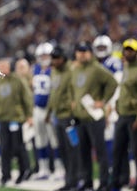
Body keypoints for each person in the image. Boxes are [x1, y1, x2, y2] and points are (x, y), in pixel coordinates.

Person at [71, 41, 118, 191]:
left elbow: (112, 83)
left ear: (90, 53)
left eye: (84, 51)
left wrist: (103, 101)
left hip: (94, 117)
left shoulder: (97, 68)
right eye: (79, 51)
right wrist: (73, 101)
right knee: (83, 152)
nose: (82, 54)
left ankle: (104, 182)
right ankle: (87, 181)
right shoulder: (76, 69)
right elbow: (74, 89)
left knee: (100, 151)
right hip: (80, 117)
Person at [0, 58, 33, 186]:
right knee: (4, 148)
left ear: (9, 67)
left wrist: (29, 115)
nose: (3, 68)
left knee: (18, 147)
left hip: (16, 118)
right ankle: (5, 175)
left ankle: (23, 171)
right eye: (1, 66)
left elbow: (26, 97)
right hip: (2, 119)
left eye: (5, 66)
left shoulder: (17, 80)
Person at [110, 39, 137, 191]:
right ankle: (116, 182)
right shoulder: (126, 68)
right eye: (126, 50)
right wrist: (118, 105)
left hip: (135, 117)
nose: (128, 52)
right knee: (117, 150)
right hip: (123, 115)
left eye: (131, 50)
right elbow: (125, 90)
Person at [92, 35, 127, 185]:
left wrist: (111, 105)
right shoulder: (95, 63)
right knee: (105, 139)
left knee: (114, 138)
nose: (100, 51)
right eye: (98, 48)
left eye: (102, 48)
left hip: (111, 105)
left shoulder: (113, 62)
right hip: (100, 105)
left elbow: (117, 85)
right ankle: (112, 170)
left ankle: (117, 171)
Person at [46, 46, 79, 191]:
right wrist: (48, 113)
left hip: (68, 116)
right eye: (53, 58)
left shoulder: (71, 71)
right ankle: (68, 180)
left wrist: (73, 110)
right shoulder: (54, 72)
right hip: (57, 116)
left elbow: (75, 92)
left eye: (57, 58)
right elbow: (53, 94)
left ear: (63, 58)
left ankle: (76, 179)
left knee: (72, 150)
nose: (54, 61)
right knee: (63, 150)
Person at [32, 42, 59, 179]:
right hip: (37, 108)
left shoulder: (54, 69)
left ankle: (59, 170)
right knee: (40, 140)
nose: (44, 57)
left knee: (54, 140)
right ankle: (44, 169)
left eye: (46, 55)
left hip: (50, 109)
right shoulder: (35, 69)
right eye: (41, 55)